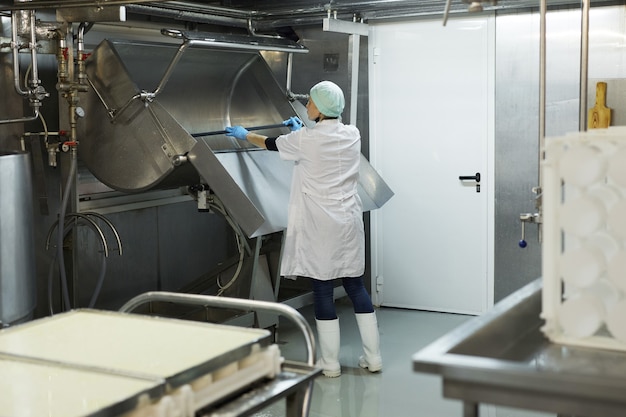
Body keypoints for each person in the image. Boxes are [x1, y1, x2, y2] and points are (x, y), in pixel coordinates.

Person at [225, 80, 382, 377]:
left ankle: (331, 364)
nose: (306, 105)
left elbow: (270, 144)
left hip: (320, 224)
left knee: (322, 289)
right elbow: (319, 148)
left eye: (310, 102)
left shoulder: (306, 141)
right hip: (348, 221)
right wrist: (301, 131)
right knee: (355, 285)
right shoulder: (352, 134)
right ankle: (374, 358)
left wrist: (245, 135)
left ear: (321, 109)